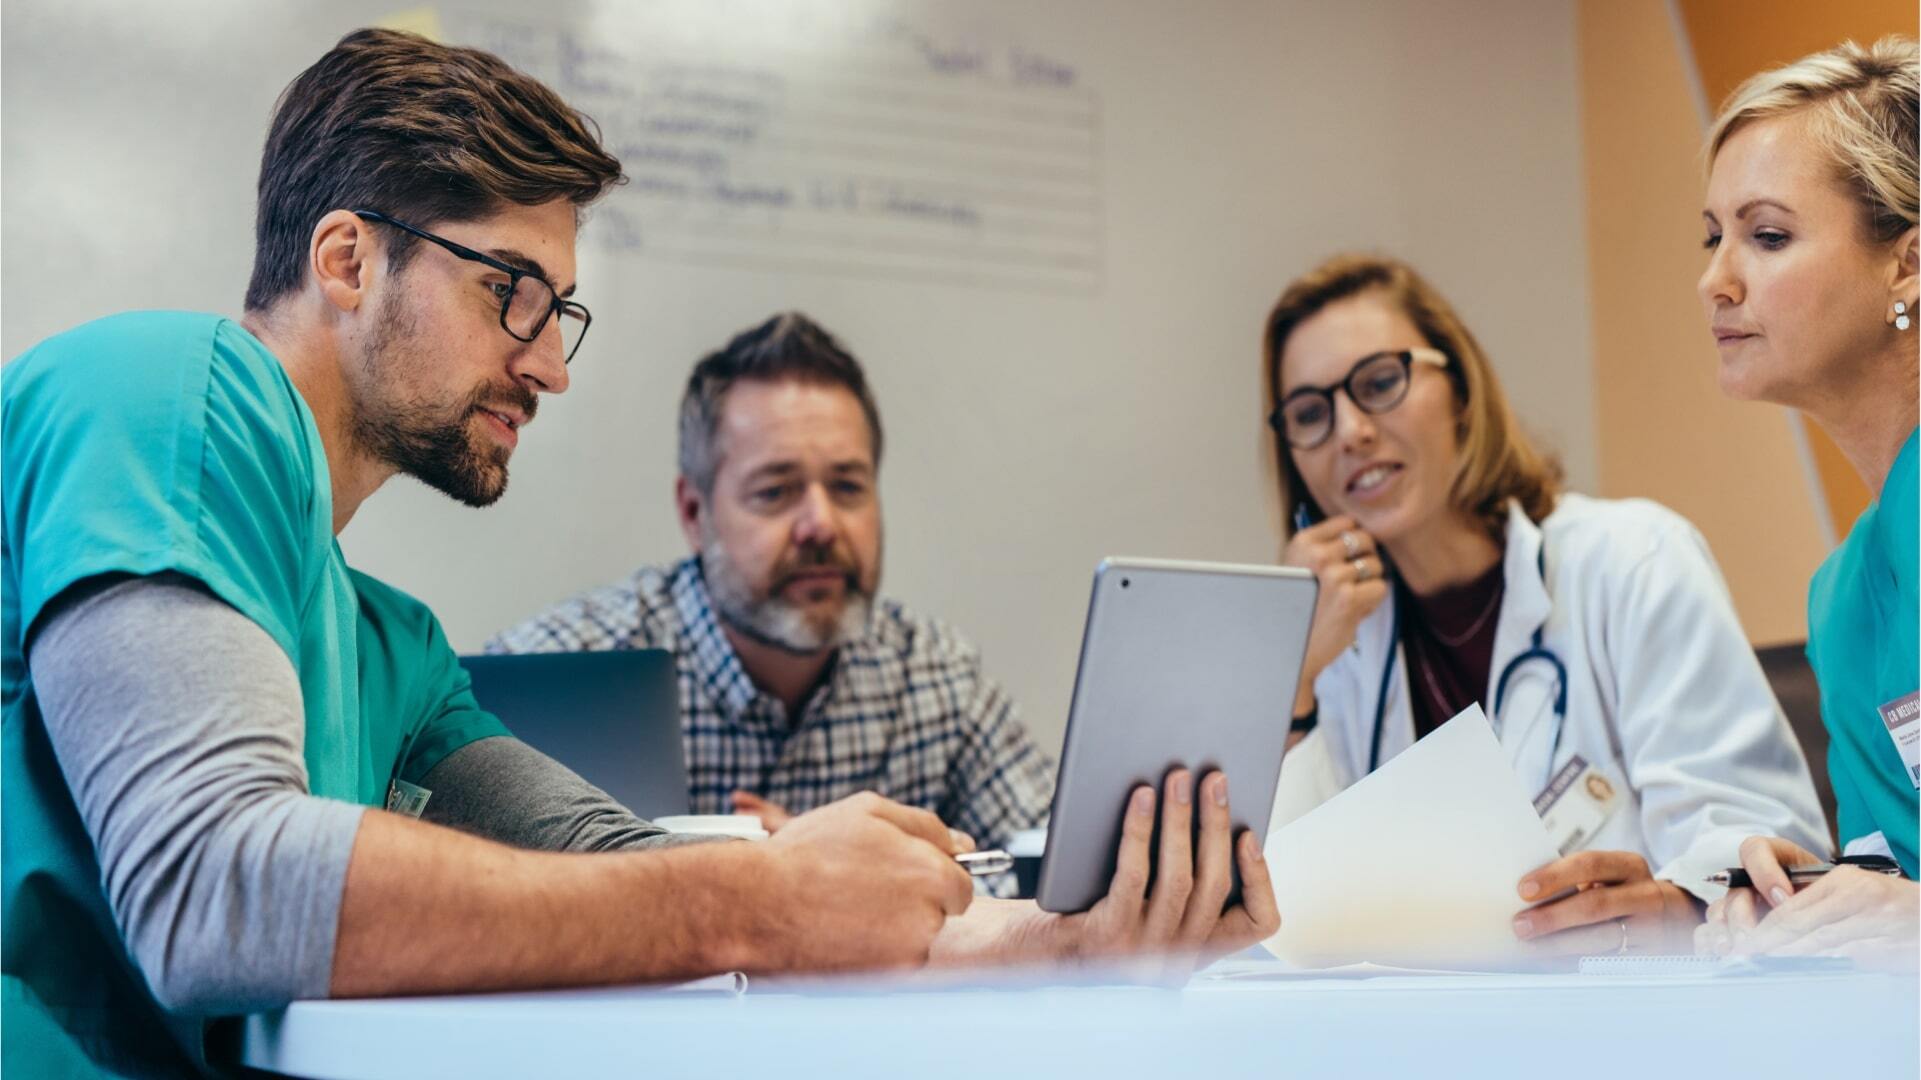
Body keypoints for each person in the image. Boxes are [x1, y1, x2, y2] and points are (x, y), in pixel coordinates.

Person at [0, 30, 1274, 1077]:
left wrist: (1064, 943)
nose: (550, 364)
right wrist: (767, 899)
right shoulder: (160, 393)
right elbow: (212, 888)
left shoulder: (394, 651)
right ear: (346, 258)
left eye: (561, 313)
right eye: (511, 289)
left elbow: (626, 874)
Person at [1262, 253, 1828, 959]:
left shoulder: (1629, 561)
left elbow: (1762, 847)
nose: (1348, 431)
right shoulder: (1334, 650)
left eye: (1379, 382)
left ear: (1461, 392)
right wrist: (1291, 677)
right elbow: (1294, 920)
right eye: (1309, 414)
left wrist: (1670, 908)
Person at [486, 312, 1055, 878]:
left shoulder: (936, 675)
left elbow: (1057, 882)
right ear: (694, 512)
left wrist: (861, 878)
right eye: (776, 491)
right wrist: (777, 883)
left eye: (848, 486)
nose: (821, 525)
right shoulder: (557, 673)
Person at [1691, 37, 1918, 971]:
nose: (1715, 280)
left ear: (1905, 267)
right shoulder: (1844, 600)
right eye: (1712, 237)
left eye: (1767, 236)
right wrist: (1807, 900)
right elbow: (1894, 878)